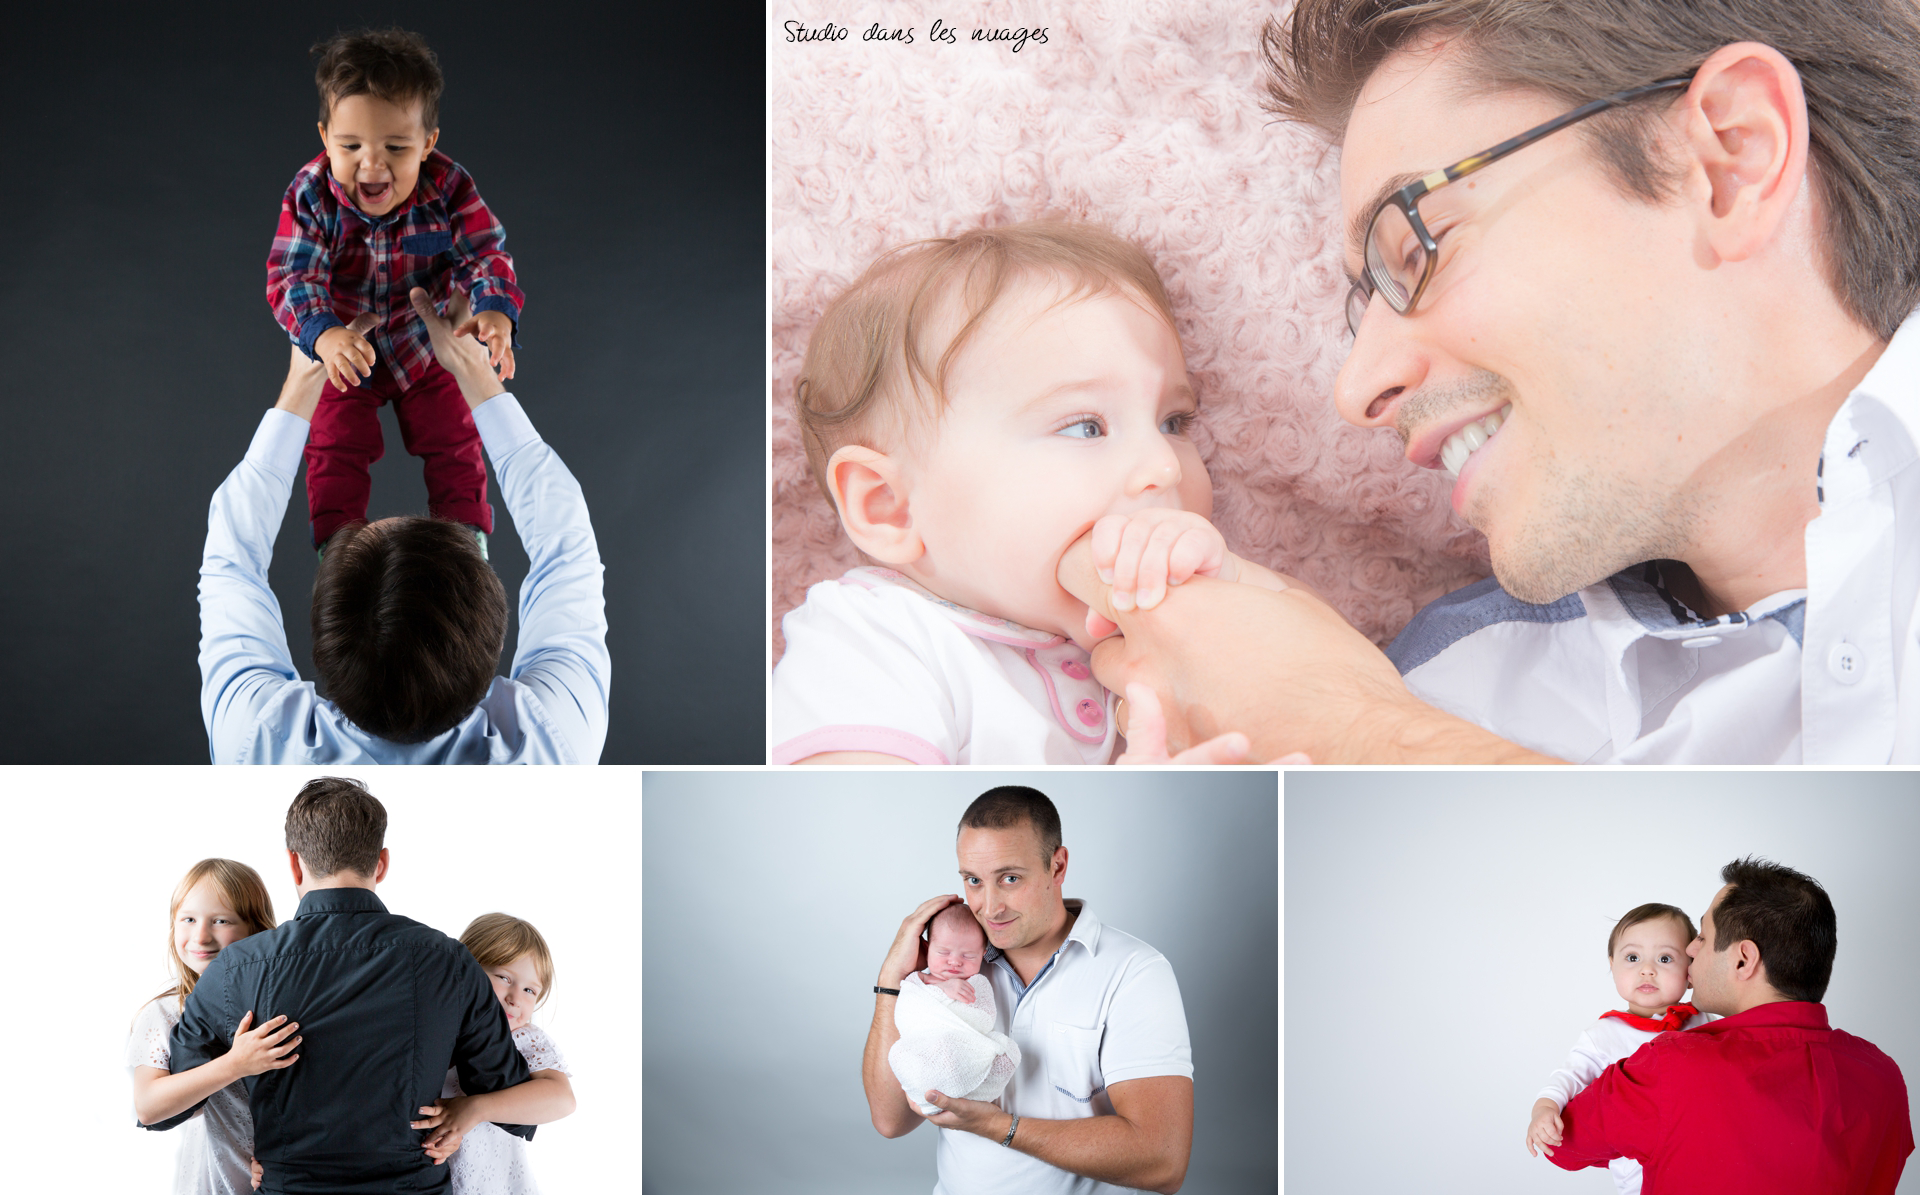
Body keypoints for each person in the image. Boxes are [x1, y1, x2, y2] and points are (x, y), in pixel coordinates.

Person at [1058, 0, 1920, 763]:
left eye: (1417, 247)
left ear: (1732, 157)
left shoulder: (1368, 723)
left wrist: (1353, 731)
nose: (1355, 389)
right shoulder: (1451, 682)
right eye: (1361, 307)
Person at [773, 220, 1286, 765]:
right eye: (1086, 426)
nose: (1164, 466)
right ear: (890, 506)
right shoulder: (872, 640)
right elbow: (867, 824)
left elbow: (1337, 682)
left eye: (1173, 422)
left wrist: (1232, 588)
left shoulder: (1158, 639)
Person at [197, 283, 609, 763]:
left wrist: (303, 381)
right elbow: (568, 549)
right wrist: (476, 371)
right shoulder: (552, 744)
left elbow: (230, 560)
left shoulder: (259, 741)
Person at [150, 777, 540, 1194]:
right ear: (382, 863)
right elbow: (508, 1096)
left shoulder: (233, 969)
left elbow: (168, 1108)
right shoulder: (448, 961)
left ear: (294, 864)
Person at [861, 786, 1194, 1194]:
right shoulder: (953, 968)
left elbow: (1162, 1161)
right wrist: (891, 983)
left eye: (1010, 878)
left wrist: (997, 1126)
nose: (989, 907)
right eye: (973, 880)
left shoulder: (1134, 972)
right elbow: (890, 1121)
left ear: (1057, 866)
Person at [270, 27, 522, 553]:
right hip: (347, 348)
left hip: (422, 344)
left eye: (396, 147)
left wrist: (494, 309)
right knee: (334, 446)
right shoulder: (312, 193)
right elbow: (293, 275)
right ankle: (338, 551)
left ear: (428, 144)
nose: (372, 164)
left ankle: (464, 543)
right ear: (324, 138)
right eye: (351, 145)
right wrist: (322, 333)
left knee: (456, 437)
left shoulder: (448, 186)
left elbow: (484, 252)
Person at [1547, 858, 1913, 1189]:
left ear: (1743, 960)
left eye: (1703, 937)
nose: (1690, 950)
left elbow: (1561, 1145)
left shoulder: (1669, 1066)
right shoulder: (1885, 1077)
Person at [128, 859, 298, 1194]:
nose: (201, 935)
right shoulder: (166, 1013)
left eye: (220, 921)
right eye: (188, 919)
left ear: (257, 931)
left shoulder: (281, 1007)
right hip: (214, 1183)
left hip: (286, 1176)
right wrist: (236, 1063)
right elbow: (149, 1107)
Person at [1524, 903, 1715, 1194]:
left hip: (1705, 1165)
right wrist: (1545, 1108)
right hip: (1639, 1178)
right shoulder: (1603, 1035)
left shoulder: (1707, 1022)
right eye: (1633, 957)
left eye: (1665, 958)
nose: (1647, 970)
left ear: (1689, 971)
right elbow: (1570, 1076)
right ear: (1612, 965)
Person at [412, 913, 577, 1193]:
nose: (515, 997)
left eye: (529, 990)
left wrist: (476, 1108)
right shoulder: (435, 1030)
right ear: (466, 972)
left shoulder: (522, 1038)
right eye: (503, 977)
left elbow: (562, 1100)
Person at [887, 903, 1019, 1117]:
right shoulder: (923, 980)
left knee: (1007, 1052)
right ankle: (939, 1093)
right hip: (929, 1047)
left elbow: (984, 1019)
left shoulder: (979, 982)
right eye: (943, 952)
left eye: (968, 956)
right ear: (928, 948)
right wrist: (944, 986)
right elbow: (912, 988)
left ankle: (974, 1096)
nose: (955, 962)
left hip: (964, 1052)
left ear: (983, 954)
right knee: (929, 1049)